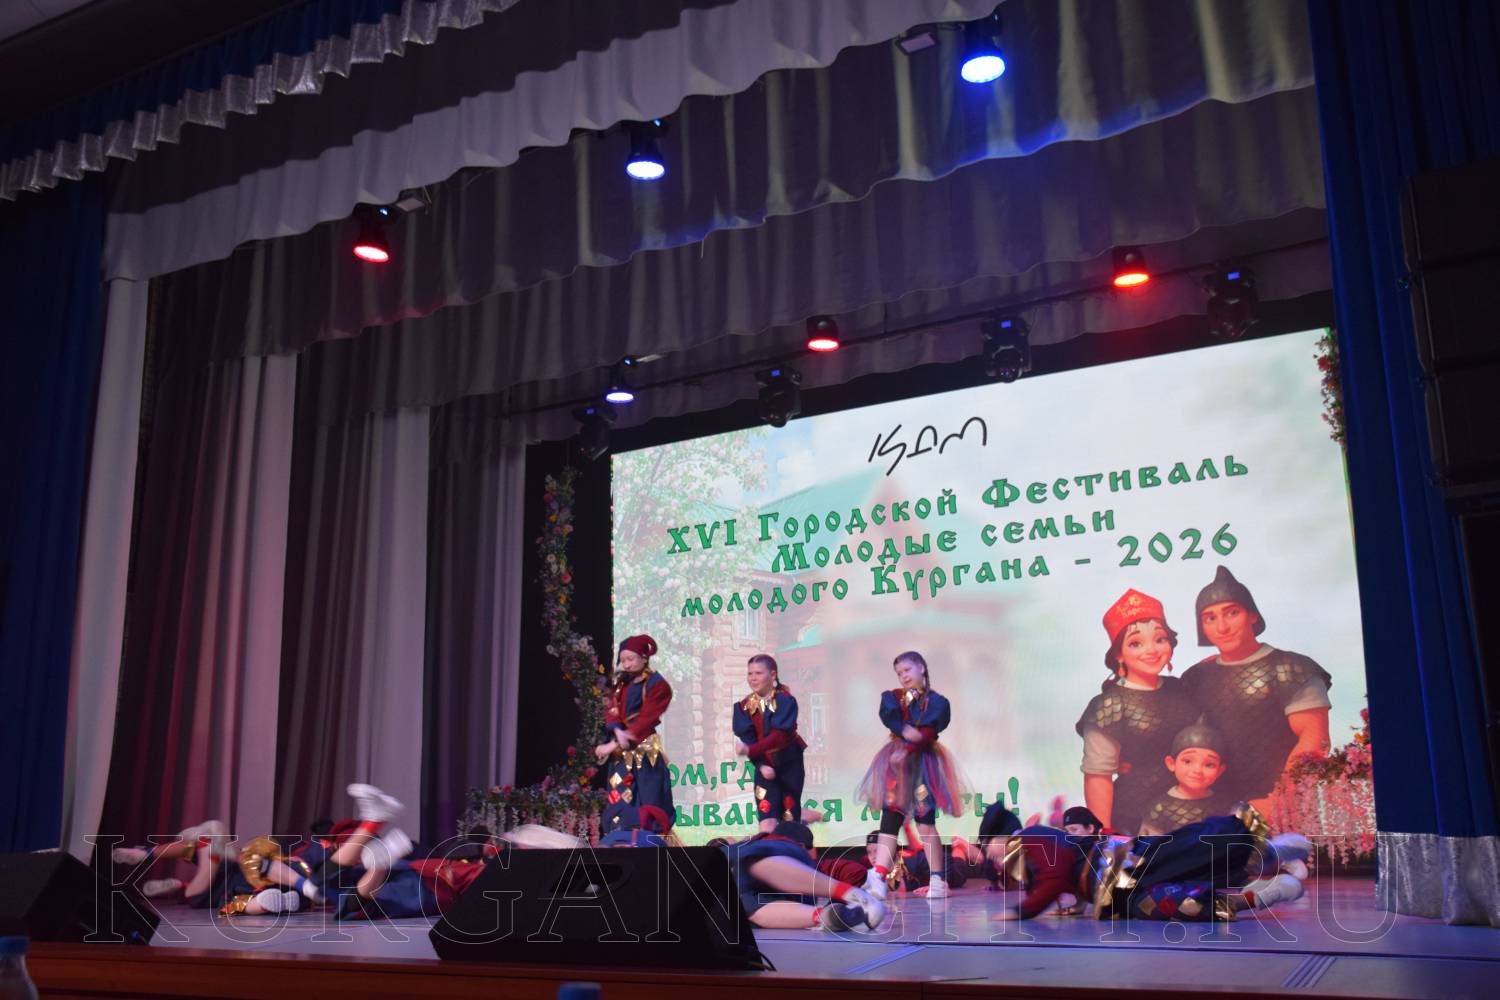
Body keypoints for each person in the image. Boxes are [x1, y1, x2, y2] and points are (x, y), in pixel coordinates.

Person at [994, 804, 1311, 921]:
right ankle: (1264, 894)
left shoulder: (1029, 837)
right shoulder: (1024, 851)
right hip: (1117, 892)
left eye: (988, 846)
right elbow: (1066, 873)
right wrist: (1075, 905)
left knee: (1190, 851)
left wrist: (1023, 912)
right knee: (1176, 903)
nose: (988, 854)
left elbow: (1056, 872)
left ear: (1001, 837)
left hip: (1126, 866)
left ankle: (1272, 851)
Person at [1183, 566, 1332, 810]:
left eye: (1232, 613)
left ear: (1252, 615)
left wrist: (1280, 799)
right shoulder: (1195, 677)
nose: (1222, 627)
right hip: (1211, 810)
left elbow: (1314, 739)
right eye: (1210, 618)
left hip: (1283, 810)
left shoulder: (1292, 668)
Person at [1075, 589, 1204, 833]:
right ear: (1119, 654)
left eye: (1160, 639)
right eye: (1136, 643)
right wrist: (1105, 836)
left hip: (1194, 812)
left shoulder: (1180, 688)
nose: (1151, 650)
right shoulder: (1109, 704)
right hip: (1135, 818)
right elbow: (1098, 776)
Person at [855, 650, 968, 900]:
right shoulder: (894, 698)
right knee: (889, 821)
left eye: (907, 670)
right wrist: (905, 733)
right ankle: (878, 877)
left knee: (925, 822)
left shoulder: (937, 702)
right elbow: (892, 719)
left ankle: (937, 879)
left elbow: (926, 733)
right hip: (897, 764)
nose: (903, 676)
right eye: (899, 673)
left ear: (921, 668)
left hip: (921, 764)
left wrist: (909, 748)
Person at [717, 822, 886, 932]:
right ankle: (825, 915)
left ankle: (827, 912)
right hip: (732, 892)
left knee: (749, 865)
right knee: (746, 908)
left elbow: (854, 871)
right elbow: (854, 871)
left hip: (722, 874)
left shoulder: (756, 845)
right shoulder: (806, 861)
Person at [595, 634, 675, 833]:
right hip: (622, 755)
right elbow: (612, 710)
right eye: (623, 660)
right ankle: (619, 839)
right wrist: (616, 730)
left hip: (644, 753)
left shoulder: (658, 685)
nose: (626, 665)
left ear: (644, 657)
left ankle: (649, 842)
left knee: (649, 800)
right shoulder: (622, 683)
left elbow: (645, 720)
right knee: (618, 798)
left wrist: (614, 744)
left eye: (630, 659)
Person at [732, 654, 807, 832]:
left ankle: (796, 834)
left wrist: (751, 750)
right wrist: (761, 765)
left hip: (789, 765)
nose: (753, 678)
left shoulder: (785, 700)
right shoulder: (744, 706)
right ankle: (767, 846)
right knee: (766, 819)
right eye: (750, 673)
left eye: (758, 673)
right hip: (764, 765)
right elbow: (748, 738)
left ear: (773, 675)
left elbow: (778, 736)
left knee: (789, 818)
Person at [1137, 723, 1231, 836]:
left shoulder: (1223, 806)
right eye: (1187, 761)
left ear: (1220, 770)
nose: (1197, 770)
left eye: (1209, 765)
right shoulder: (1160, 808)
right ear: (1171, 763)